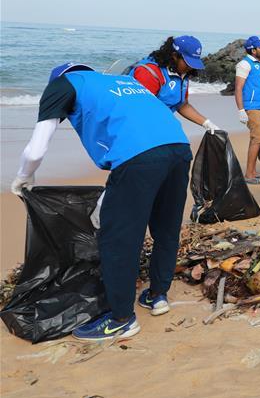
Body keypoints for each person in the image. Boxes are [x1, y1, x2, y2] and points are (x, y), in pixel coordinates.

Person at [11, 63, 192, 341]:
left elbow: (36, 150)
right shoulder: (118, 83)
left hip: (139, 157)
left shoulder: (62, 84)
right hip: (179, 148)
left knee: (119, 238)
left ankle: (121, 319)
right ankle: (157, 297)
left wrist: (23, 178)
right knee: (166, 229)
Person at [130, 35, 219, 132]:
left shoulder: (182, 73)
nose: (191, 67)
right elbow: (139, 112)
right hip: (138, 126)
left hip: (159, 123)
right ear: (175, 56)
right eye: (188, 63)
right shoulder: (149, 73)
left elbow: (182, 105)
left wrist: (207, 123)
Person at [235, 36, 260, 184]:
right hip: (252, 107)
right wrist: (241, 110)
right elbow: (238, 88)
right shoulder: (244, 64)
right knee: (258, 139)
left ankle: (253, 171)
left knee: (258, 140)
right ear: (253, 49)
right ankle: (249, 174)